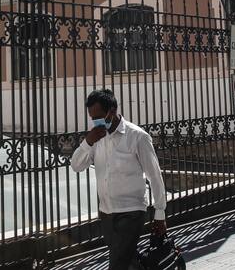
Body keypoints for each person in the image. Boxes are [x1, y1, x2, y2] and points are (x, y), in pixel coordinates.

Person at [71, 89, 166, 270]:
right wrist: (87, 141)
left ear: (112, 111)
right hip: (106, 212)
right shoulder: (96, 138)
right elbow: (76, 166)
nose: (96, 121)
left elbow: (154, 175)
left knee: (117, 263)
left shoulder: (138, 137)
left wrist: (159, 213)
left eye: (99, 116)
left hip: (132, 211)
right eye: (92, 117)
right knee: (127, 259)